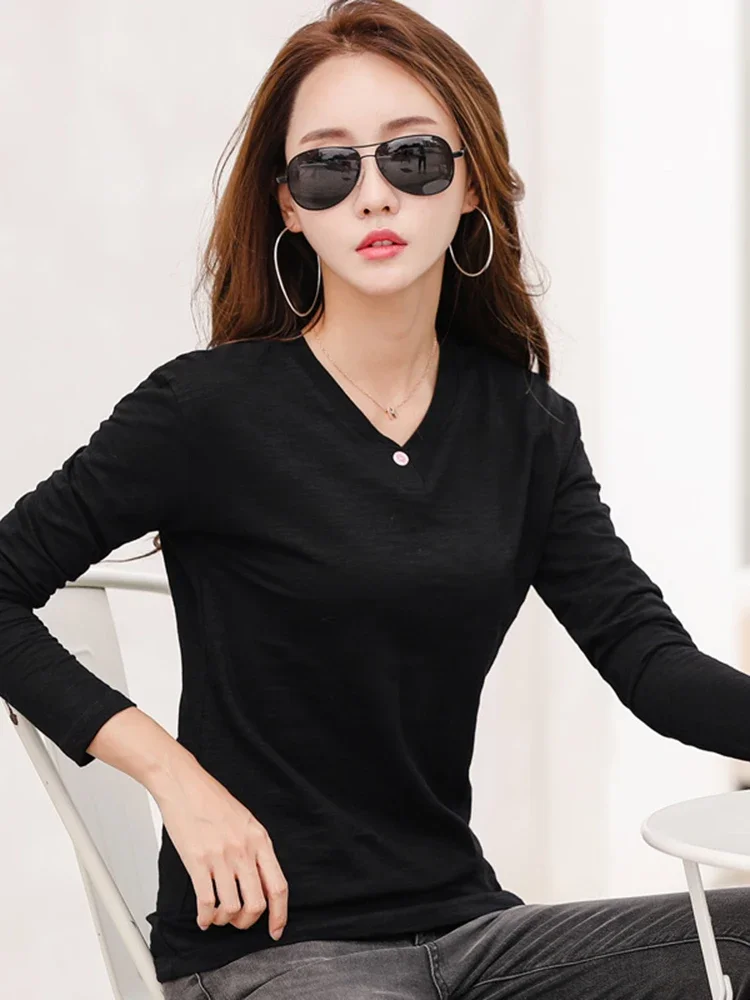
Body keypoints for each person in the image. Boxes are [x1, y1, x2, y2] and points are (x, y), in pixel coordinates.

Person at [2, 0, 749, 997]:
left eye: (413, 157)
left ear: (472, 182)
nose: (373, 195)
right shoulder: (206, 410)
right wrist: (174, 776)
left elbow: (652, 665)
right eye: (328, 166)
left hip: (474, 935)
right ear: (289, 206)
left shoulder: (525, 427)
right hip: (271, 950)